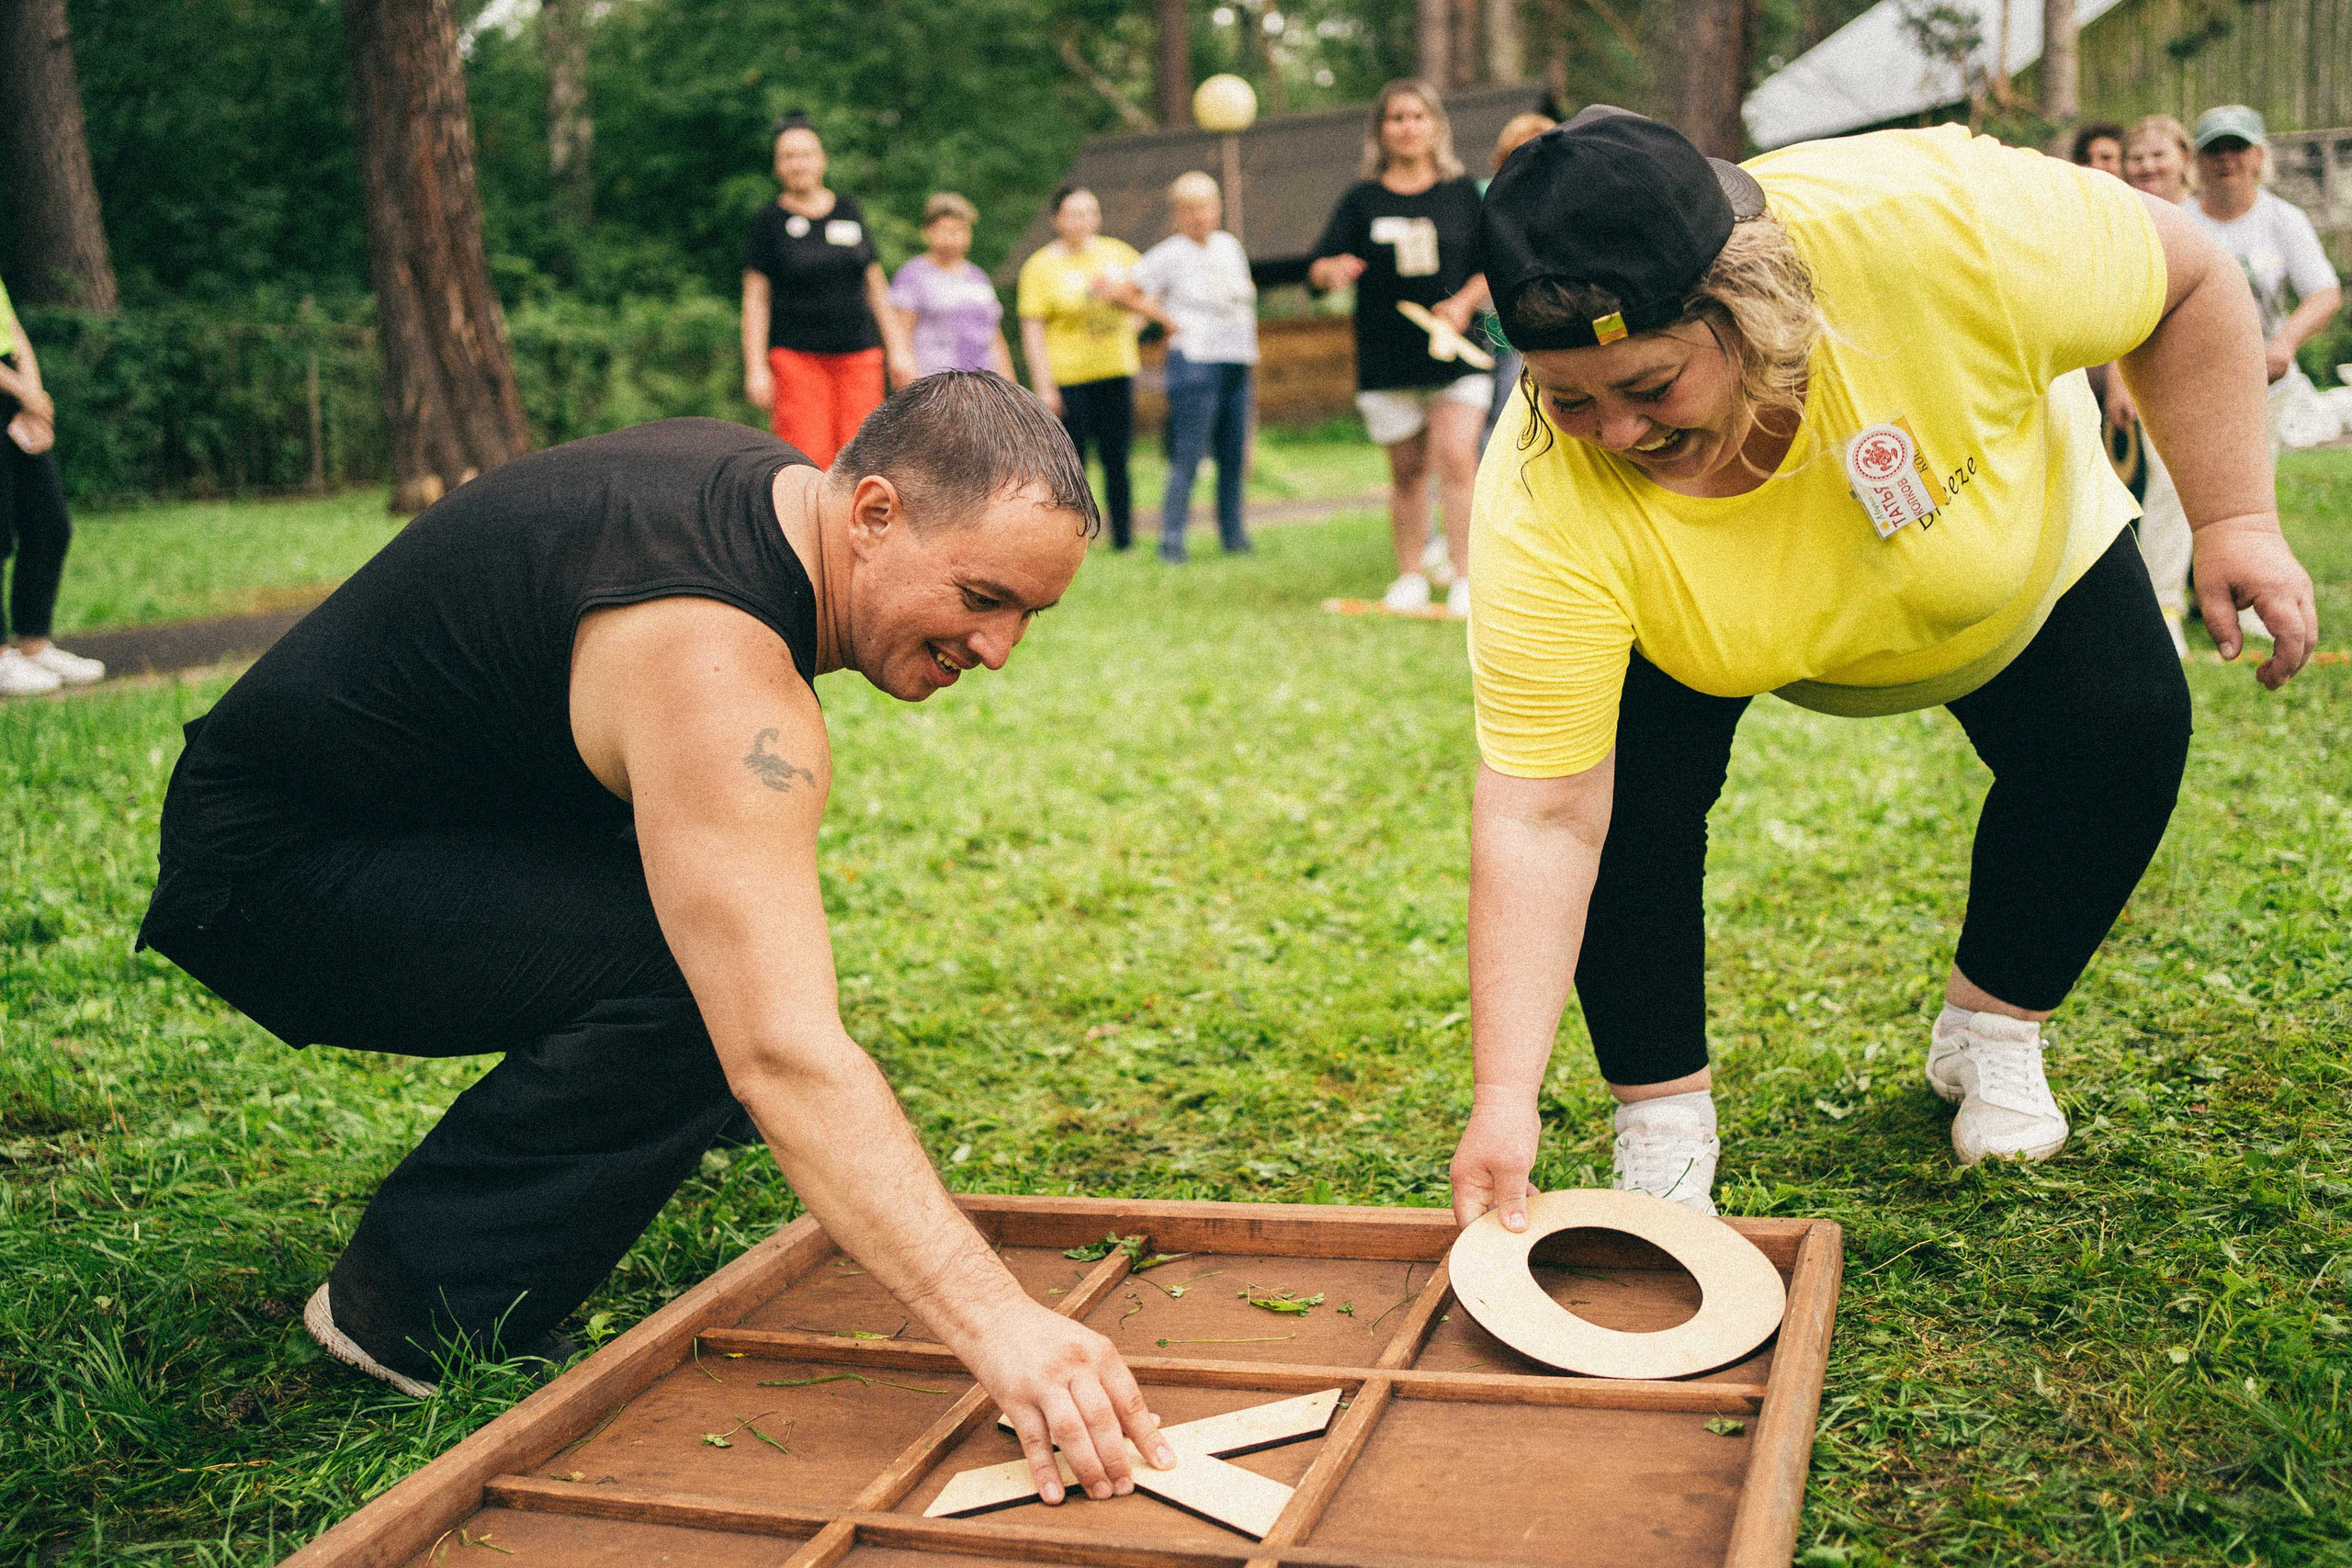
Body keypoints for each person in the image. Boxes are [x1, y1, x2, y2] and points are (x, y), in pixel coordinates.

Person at [134, 376, 1180, 1506]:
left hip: (400, 808)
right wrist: (1000, 1326)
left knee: (739, 940)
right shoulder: (716, 667)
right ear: (872, 511)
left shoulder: (761, 488)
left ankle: (669, 1103)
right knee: (710, 993)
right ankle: (413, 1314)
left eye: (1030, 612)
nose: (1000, 647)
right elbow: (784, 1049)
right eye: (982, 596)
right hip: (269, 877)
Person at [1448, 108, 2318, 1228]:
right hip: (1705, 631)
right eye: (1569, 399)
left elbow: (2191, 280)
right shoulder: (1538, 496)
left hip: (1999, 550)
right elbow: (1543, 817)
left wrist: (2236, 515)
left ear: (1746, 307)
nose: (1612, 434)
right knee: (1626, 810)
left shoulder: (1933, 223)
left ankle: (1990, 1033)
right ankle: (1661, 1117)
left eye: (1650, 387)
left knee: (2124, 731)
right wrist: (1505, 1100)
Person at [1308, 80, 1491, 619]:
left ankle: (1464, 577)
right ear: (1381, 131)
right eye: (1396, 118)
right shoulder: (1360, 200)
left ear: (1436, 126)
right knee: (1407, 471)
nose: (1408, 127)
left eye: (1417, 117)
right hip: (1387, 356)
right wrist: (1332, 270)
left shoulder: (1462, 195)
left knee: (1458, 458)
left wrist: (1462, 303)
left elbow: (1493, 268)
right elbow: (1317, 269)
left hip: (1457, 353)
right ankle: (1411, 575)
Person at [741, 111, 919, 468]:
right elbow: (755, 301)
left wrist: (900, 349)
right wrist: (755, 368)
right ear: (777, 167)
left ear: (822, 159)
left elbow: (876, 286)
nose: (798, 163)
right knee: (806, 459)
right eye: (789, 156)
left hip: (858, 357)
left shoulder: (849, 210)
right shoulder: (767, 223)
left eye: (806, 154)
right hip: (797, 361)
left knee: (864, 458)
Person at [1130, 172, 1259, 561]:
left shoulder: (1228, 245)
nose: (1199, 216)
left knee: (1233, 452)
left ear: (1217, 207)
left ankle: (1233, 535)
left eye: (1205, 206)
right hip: (1195, 360)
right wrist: (1166, 320)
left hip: (1236, 358)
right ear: (1177, 214)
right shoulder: (1169, 252)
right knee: (1188, 453)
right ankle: (1171, 540)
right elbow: (1123, 290)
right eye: (1190, 209)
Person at [1018, 186, 1154, 551]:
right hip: (1068, 378)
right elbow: (1032, 328)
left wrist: (1134, 320)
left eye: (1090, 212)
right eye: (1074, 213)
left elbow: (1153, 295)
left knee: (1117, 458)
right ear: (1056, 219)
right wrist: (1044, 385)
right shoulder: (1040, 266)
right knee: (1073, 463)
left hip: (1115, 370)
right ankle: (1072, 541)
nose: (1083, 220)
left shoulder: (1119, 254)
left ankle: (1124, 538)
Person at [2110, 115, 2199, 651]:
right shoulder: (2123, 220)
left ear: (2183, 159)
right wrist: (2123, 384)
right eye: (2136, 157)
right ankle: (2163, 606)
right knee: (2167, 491)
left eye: (2157, 155)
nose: (2146, 166)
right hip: (2157, 378)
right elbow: (2121, 311)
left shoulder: (2206, 219)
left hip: (2219, 377)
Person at [0, 276, 104, 696]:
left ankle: (33, 643)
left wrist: (35, 396)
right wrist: (26, 392)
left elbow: (13, 331)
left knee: (49, 524)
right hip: (11, 389)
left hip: (14, 391)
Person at [1482, 111, 1558, 451]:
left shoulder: (1568, 200)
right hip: (1499, 330)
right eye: (1517, 153)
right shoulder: (1487, 200)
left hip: (1556, 325)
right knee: (1502, 415)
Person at [889, 192, 1017, 380]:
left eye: (959, 230)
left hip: (982, 385)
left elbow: (994, 336)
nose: (952, 238)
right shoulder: (912, 275)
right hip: (935, 384)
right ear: (927, 231)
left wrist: (1009, 383)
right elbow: (901, 336)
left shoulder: (978, 277)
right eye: (945, 230)